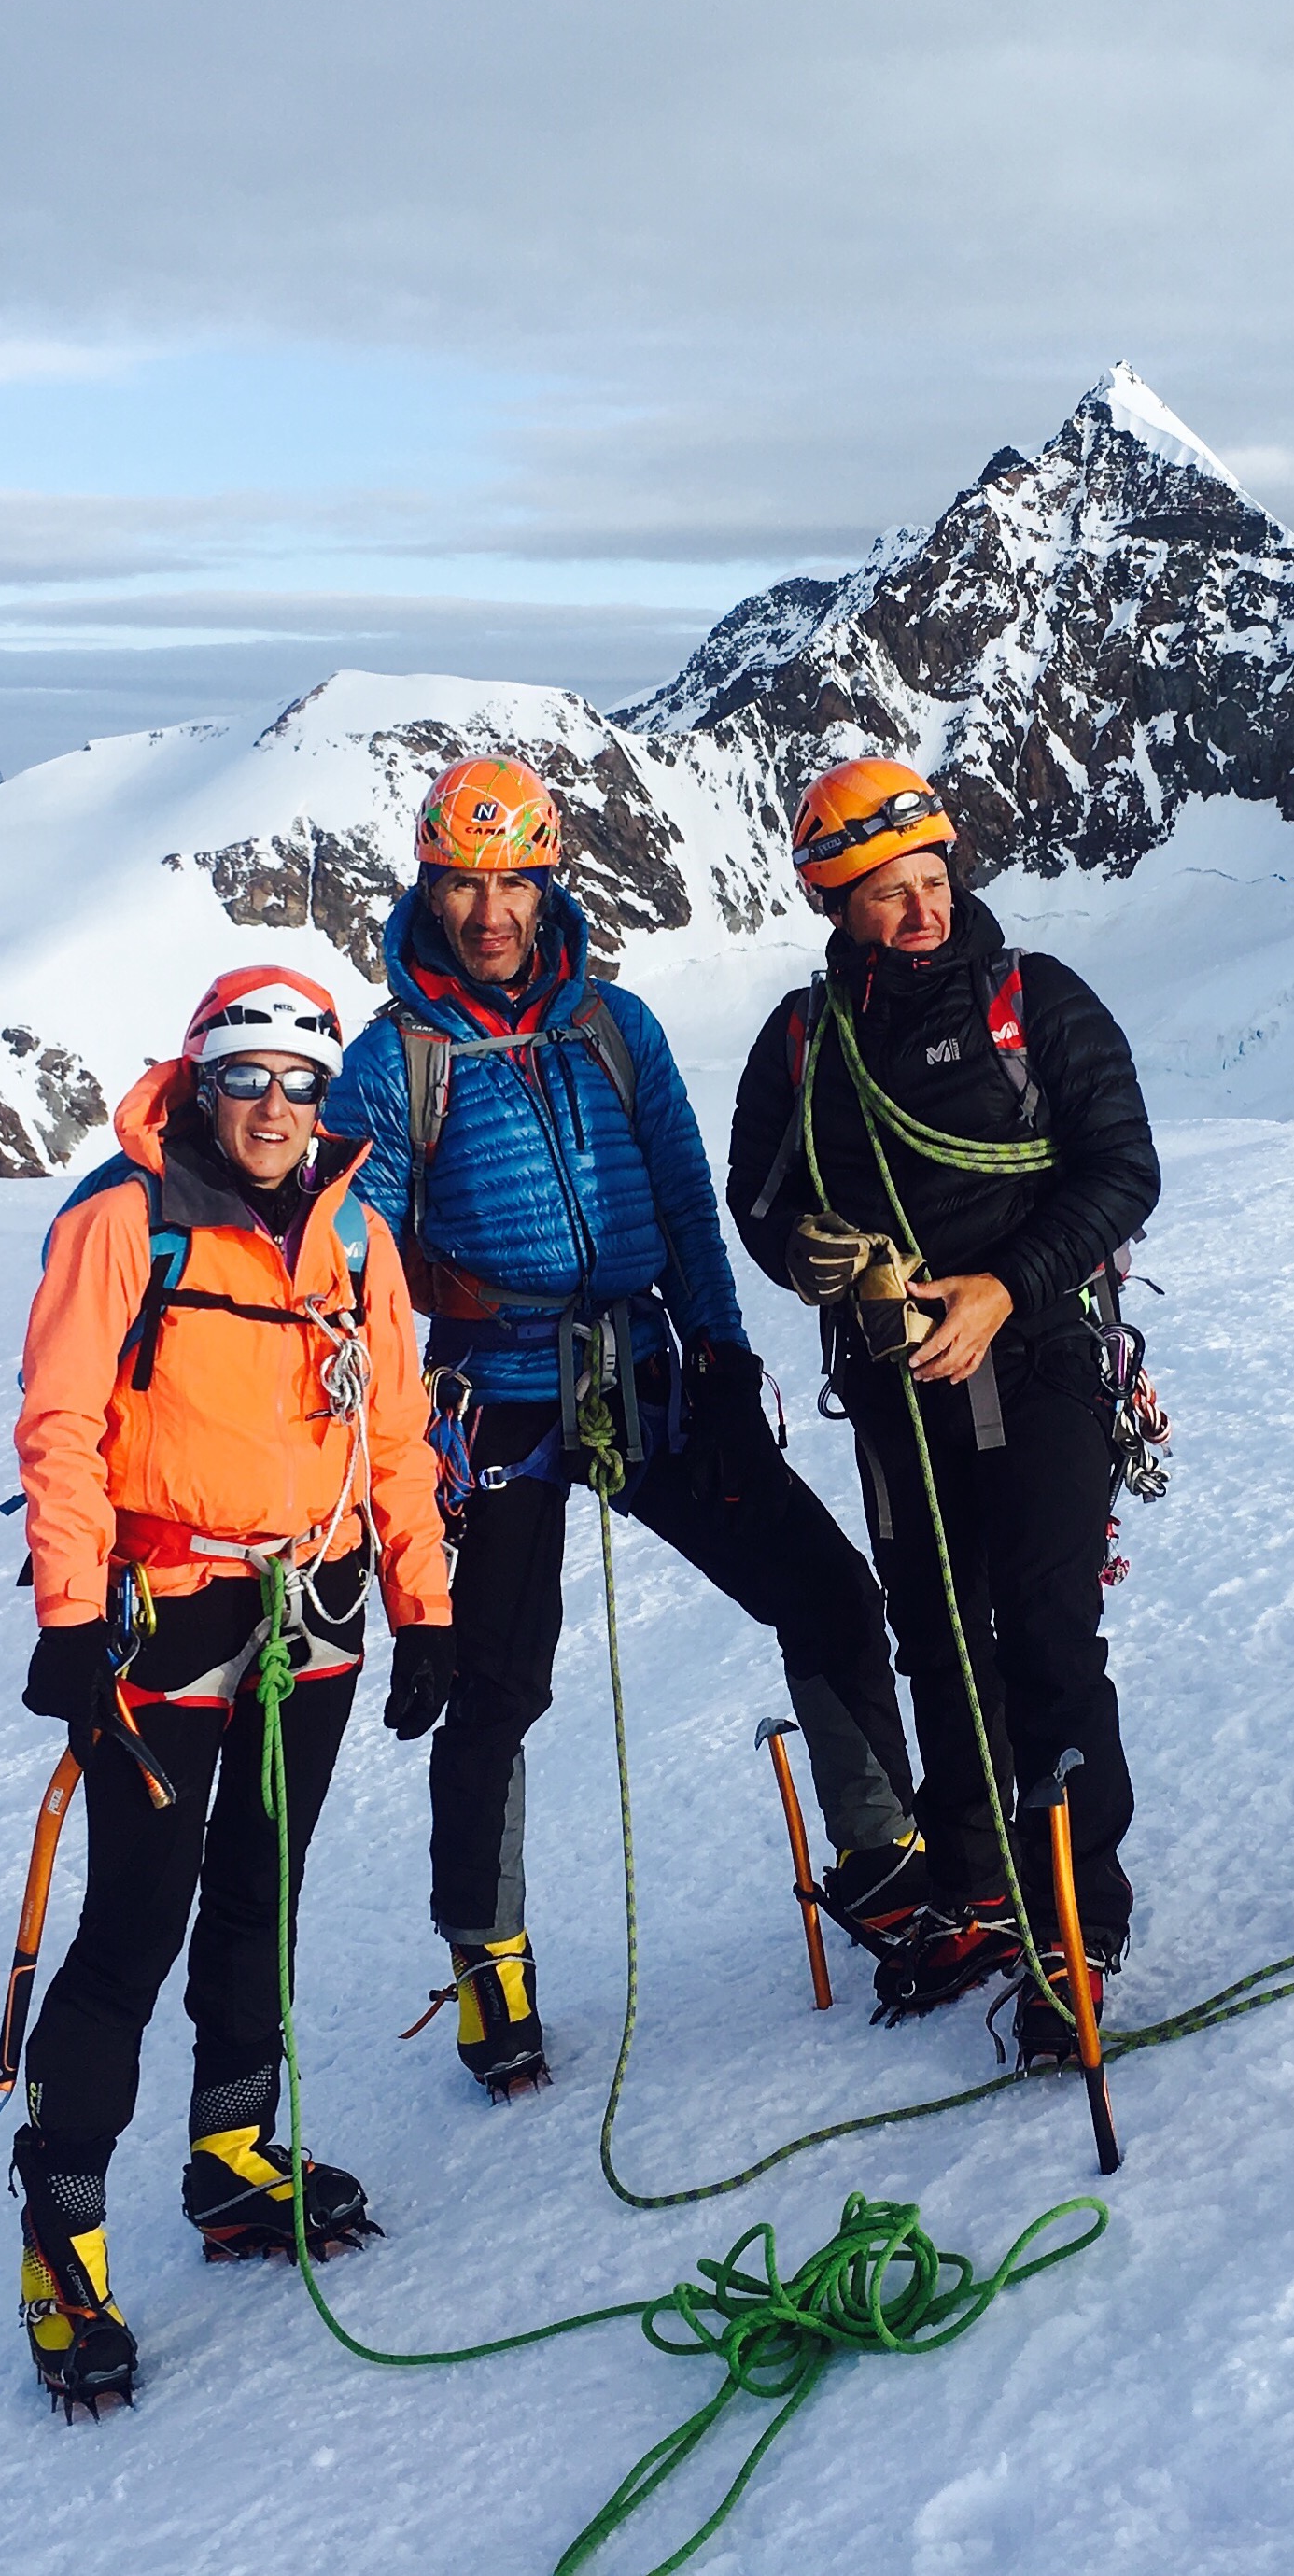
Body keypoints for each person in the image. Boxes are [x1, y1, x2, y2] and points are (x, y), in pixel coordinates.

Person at [320, 754, 921, 2099]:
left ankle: (884, 1862)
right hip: (493, 1392)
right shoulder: (389, 1060)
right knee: (498, 1682)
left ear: (547, 882)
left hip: (644, 1360)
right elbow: (351, 1261)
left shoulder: (616, 1026)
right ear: (429, 883)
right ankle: (491, 1970)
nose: (489, 909)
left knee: (825, 1588)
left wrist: (716, 1343)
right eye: (465, 882)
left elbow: (679, 1193)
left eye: (512, 880)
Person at [7, 965, 453, 2416]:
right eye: (247, 1075)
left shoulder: (355, 1235)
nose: (273, 1105)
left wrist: (423, 1603)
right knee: (136, 1914)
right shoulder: (123, 1215)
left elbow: (395, 1430)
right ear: (203, 1075)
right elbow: (64, 1421)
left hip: (310, 1611)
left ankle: (232, 2154)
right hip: (167, 1612)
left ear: (328, 1094)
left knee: (263, 1882)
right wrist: (72, 1618)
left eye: (299, 1080)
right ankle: (62, 2240)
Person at [725, 760, 1160, 2066]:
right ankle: (979, 1883)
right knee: (936, 1636)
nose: (919, 908)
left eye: (930, 879)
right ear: (834, 902)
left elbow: (1122, 1168)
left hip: (1038, 1365)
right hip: (894, 1386)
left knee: (1039, 1627)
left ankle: (1071, 1918)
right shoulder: (803, 1044)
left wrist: (1002, 1288)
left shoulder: (1039, 1004)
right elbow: (758, 1202)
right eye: (884, 891)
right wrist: (814, 1256)